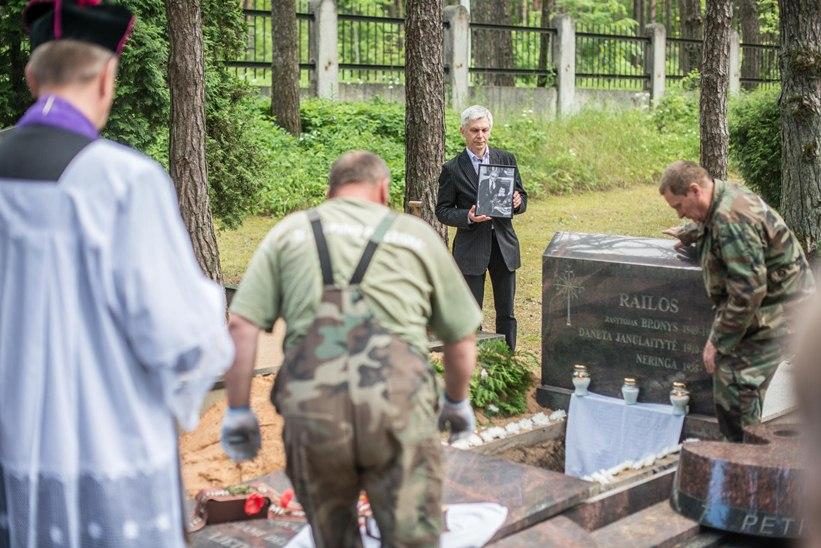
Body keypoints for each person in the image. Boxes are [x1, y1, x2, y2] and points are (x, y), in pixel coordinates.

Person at [0, 2, 234, 546]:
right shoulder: (122, 182)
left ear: (34, 77)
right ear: (107, 76)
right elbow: (181, 337)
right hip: (100, 455)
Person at [220, 151, 481, 546]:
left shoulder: (289, 233)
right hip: (398, 411)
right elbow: (461, 337)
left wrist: (238, 411)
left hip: (314, 415)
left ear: (330, 192)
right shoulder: (416, 235)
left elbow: (240, 324)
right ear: (383, 189)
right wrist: (456, 401)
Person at [659, 160, 814, 442]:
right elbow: (714, 223)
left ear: (694, 190)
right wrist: (690, 233)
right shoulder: (721, 200)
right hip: (771, 303)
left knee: (737, 384)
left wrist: (717, 341)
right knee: (731, 380)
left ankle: (747, 459)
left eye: (678, 206)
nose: (681, 214)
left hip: (783, 310)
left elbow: (748, 290)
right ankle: (742, 451)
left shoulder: (732, 219)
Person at [435, 105, 527, 351]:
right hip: (471, 248)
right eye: (474, 130)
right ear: (463, 131)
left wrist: (518, 201)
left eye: (485, 129)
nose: (480, 135)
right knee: (470, 313)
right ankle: (473, 363)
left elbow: (522, 198)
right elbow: (442, 210)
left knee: (506, 312)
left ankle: (508, 362)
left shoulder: (505, 159)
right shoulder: (452, 169)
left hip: (503, 246)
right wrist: (467, 216)